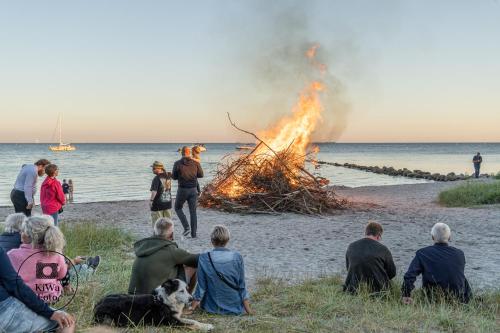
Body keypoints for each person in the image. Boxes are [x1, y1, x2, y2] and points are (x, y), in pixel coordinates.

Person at [0, 247, 76, 333]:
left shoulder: (12, 253)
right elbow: (63, 274)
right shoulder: (56, 255)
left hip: (24, 297)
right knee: (67, 321)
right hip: (41, 297)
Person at [402, 223, 472, 304]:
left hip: (432, 299)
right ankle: (468, 302)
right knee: (462, 278)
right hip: (458, 299)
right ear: (449, 237)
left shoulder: (422, 253)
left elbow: (410, 275)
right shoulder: (460, 254)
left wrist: (406, 294)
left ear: (432, 237)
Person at [192, 225, 252, 315]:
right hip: (235, 308)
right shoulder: (237, 257)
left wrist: (191, 308)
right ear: (227, 240)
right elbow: (241, 286)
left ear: (212, 241)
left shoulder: (204, 257)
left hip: (211, 308)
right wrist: (248, 311)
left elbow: (201, 287)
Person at [128, 217, 199, 295]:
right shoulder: (170, 250)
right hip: (154, 299)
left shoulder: (144, 246)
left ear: (154, 232)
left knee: (175, 264)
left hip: (133, 298)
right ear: (171, 235)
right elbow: (198, 260)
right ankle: (187, 301)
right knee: (191, 266)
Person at [8, 215, 68, 305]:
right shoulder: (55, 254)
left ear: (29, 236)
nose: (21, 232)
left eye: (23, 230)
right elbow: (62, 274)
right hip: (50, 298)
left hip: (22, 300)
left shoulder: (12, 255)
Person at [343, 221, 396, 293]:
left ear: (365, 233)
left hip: (353, 290)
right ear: (379, 235)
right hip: (379, 292)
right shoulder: (383, 249)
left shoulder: (351, 246)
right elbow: (392, 273)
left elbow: (348, 268)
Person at [172, 146, 204, 238]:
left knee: (178, 208)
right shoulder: (195, 163)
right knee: (193, 212)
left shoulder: (177, 163)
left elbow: (174, 177)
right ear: (189, 153)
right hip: (193, 190)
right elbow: (201, 175)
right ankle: (194, 234)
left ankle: (186, 227)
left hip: (182, 189)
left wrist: (180, 174)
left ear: (182, 153)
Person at [149, 161, 173, 228]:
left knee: (157, 223)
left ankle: (157, 237)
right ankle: (169, 236)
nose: (152, 170)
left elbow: (154, 191)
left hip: (158, 204)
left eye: (154, 168)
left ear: (159, 168)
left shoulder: (156, 178)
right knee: (168, 223)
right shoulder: (168, 175)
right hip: (167, 202)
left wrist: (151, 201)